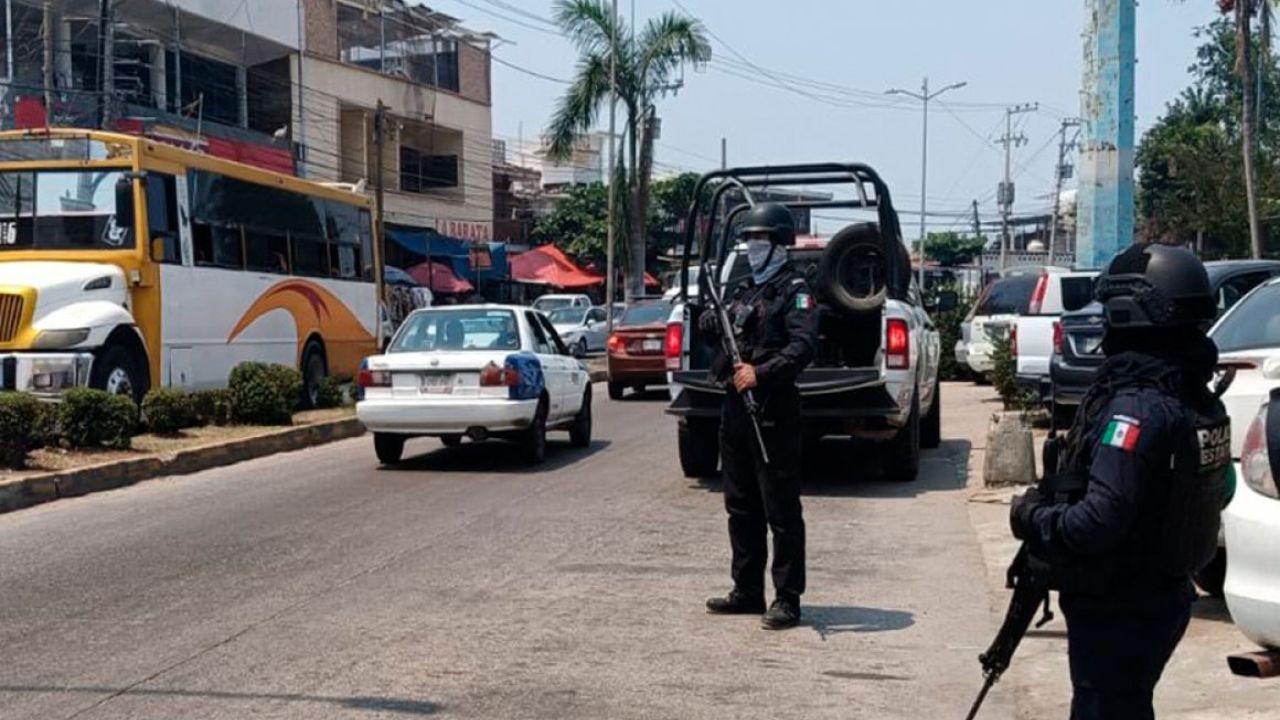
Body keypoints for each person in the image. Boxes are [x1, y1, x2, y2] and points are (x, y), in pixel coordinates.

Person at [1010, 243, 1231, 720]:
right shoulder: (1194, 394)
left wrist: (1031, 516)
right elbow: (1219, 490)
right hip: (1161, 595)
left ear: (1130, 313)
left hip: (1121, 605)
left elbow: (1097, 521)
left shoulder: (1138, 406)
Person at [699, 202, 819, 630]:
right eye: (749, 239)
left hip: (772, 407)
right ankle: (747, 589)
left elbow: (803, 347)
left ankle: (787, 597)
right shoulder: (743, 289)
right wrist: (711, 323)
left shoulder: (796, 290)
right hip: (735, 406)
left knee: (780, 507)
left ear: (780, 244)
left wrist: (762, 373)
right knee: (741, 503)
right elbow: (724, 334)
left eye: (760, 240)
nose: (752, 246)